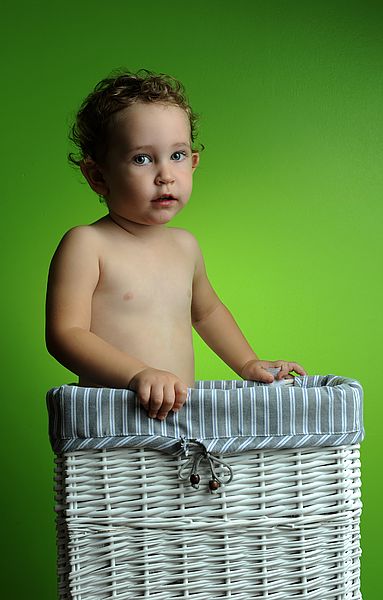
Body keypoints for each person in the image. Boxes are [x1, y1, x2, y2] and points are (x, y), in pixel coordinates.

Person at [46, 69, 306, 420]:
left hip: (180, 418)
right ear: (98, 176)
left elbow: (207, 312)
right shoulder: (87, 244)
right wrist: (137, 374)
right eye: (142, 158)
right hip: (113, 421)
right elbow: (65, 333)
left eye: (177, 155)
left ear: (194, 164)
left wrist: (247, 363)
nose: (165, 174)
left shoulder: (185, 246)